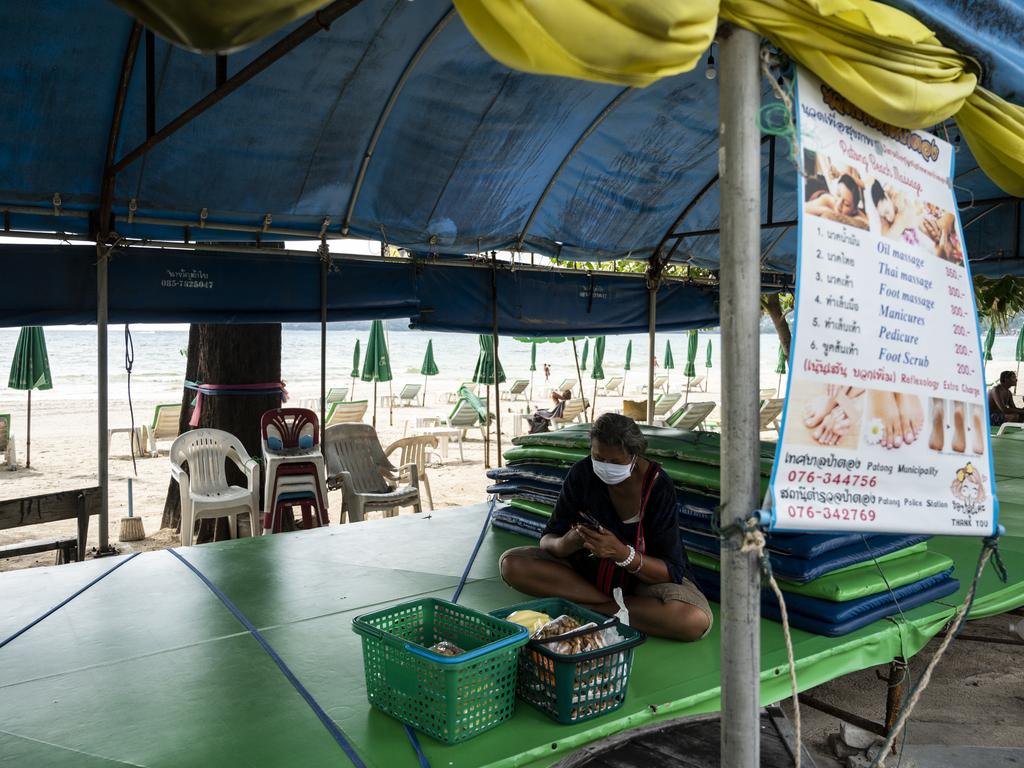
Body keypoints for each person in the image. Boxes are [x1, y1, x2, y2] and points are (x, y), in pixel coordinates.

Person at [500, 413, 712, 641]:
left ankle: (586, 608)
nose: (605, 466)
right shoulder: (582, 473)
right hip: (584, 575)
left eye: (615, 462)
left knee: (694, 620)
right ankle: (607, 609)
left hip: (642, 584)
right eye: (598, 457)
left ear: (634, 456)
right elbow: (547, 539)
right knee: (511, 565)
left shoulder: (657, 487)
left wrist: (623, 554)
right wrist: (568, 542)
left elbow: (670, 570)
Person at [805, 172, 869, 229]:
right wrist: (825, 210)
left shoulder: (857, 213)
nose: (839, 204)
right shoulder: (827, 200)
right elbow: (803, 208)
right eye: (838, 195)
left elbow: (867, 225)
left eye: (846, 204)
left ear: (854, 210)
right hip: (814, 191)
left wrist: (833, 215)